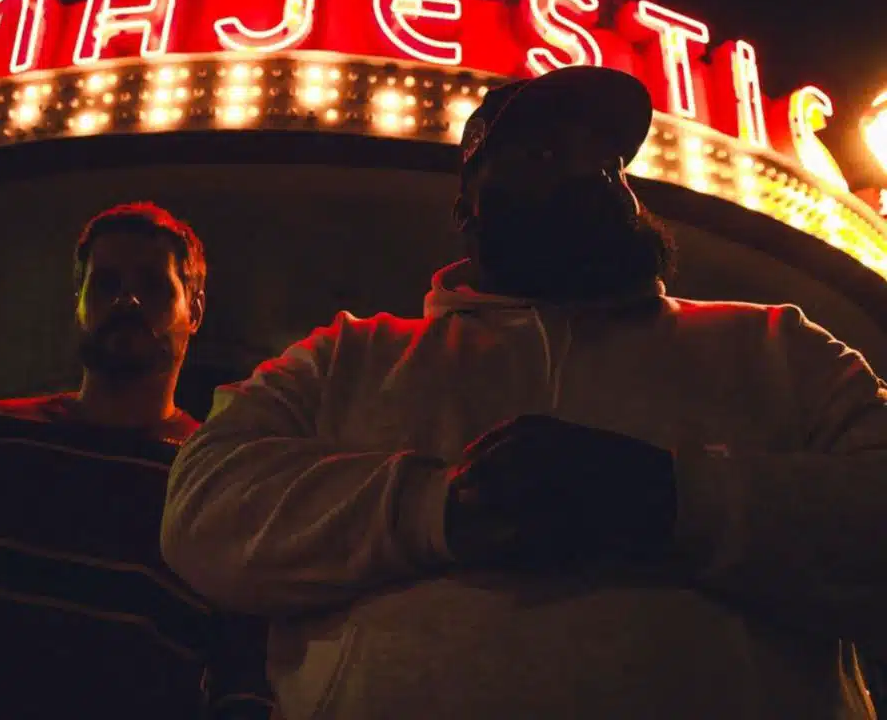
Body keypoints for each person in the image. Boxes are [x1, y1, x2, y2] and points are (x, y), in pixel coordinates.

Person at [161, 67, 887, 719]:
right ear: (469, 208)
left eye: (608, 161)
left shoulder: (775, 343)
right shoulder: (351, 354)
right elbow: (203, 507)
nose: (592, 174)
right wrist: (440, 506)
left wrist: (671, 495)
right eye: (544, 155)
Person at [0, 201, 272, 720]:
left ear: (195, 308)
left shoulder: (214, 485)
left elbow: (244, 677)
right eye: (106, 284)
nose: (126, 299)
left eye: (152, 284)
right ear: (78, 303)